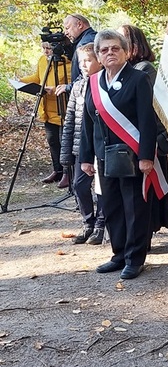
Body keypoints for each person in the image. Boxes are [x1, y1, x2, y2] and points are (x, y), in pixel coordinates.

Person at [79, 30, 162, 280]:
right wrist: (85, 157)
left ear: (126, 52)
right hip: (105, 157)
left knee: (135, 206)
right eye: (104, 50)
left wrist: (146, 155)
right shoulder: (94, 83)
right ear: (98, 55)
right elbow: (88, 123)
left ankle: (135, 258)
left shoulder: (138, 79)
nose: (110, 53)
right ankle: (118, 254)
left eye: (115, 48)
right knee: (112, 206)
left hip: (133, 155)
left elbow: (148, 121)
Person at [119, 24, 168, 239]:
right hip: (129, 139)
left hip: (146, 138)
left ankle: (147, 233)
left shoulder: (144, 69)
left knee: (149, 188)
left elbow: (147, 108)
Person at [60, 44, 105, 245]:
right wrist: (65, 152)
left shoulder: (104, 82)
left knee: (101, 187)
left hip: (101, 145)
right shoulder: (78, 86)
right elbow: (70, 119)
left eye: (88, 60)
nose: (84, 65)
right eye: (81, 62)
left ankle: (101, 226)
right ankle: (88, 223)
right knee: (79, 185)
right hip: (81, 145)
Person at [19, 42, 70, 187]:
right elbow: (37, 77)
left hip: (63, 109)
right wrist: (21, 81)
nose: (45, 51)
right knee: (53, 142)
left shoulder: (68, 63)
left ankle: (68, 173)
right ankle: (57, 170)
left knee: (64, 143)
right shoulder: (42, 60)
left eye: (49, 49)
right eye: (43, 48)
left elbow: (73, 83)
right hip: (47, 110)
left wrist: (55, 89)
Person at [62, 14, 97, 88]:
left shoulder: (85, 44)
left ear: (80, 24)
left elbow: (87, 73)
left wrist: (69, 87)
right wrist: (67, 45)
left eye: (67, 28)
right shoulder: (91, 38)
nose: (65, 33)